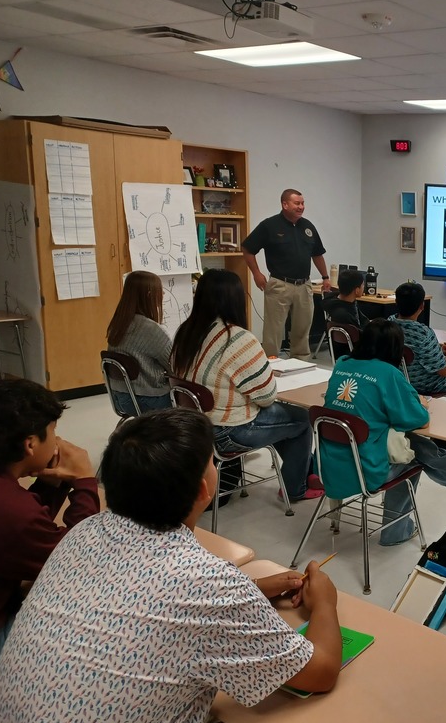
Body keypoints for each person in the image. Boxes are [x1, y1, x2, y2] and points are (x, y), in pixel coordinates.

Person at [0, 409, 342, 723]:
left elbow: (136, 597)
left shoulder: (85, 530)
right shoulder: (209, 584)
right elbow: (320, 673)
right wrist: (325, 603)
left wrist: (250, 590)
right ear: (204, 490)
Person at [0, 378, 99, 699]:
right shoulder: (8, 509)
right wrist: (84, 481)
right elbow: (80, 560)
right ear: (30, 444)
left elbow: (23, 535)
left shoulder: (3, 495)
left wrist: (53, 485)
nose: (58, 442)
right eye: (52, 433)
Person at [170, 269, 319, 502]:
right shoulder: (237, 338)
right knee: (300, 419)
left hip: (193, 426)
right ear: (236, 300)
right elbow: (267, 397)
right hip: (227, 431)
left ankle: (305, 471)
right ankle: (295, 488)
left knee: (283, 420)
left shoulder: (185, 333)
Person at [321, 319, 446, 546]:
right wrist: (419, 403)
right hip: (365, 471)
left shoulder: (342, 364)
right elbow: (417, 418)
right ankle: (394, 532)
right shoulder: (388, 373)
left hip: (329, 466)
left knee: (408, 442)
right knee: (412, 454)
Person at [243, 189, 332, 358]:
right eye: (297, 203)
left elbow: (317, 254)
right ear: (285, 204)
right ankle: (270, 365)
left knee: (303, 328)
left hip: (304, 286)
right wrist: (256, 273)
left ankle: (301, 363)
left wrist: (325, 277)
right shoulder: (269, 225)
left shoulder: (308, 226)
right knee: (273, 330)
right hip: (279, 284)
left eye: (302, 203)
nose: (301, 207)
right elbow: (247, 249)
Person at [105, 270, 174, 414]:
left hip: (120, 397)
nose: (163, 295)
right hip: (148, 401)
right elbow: (175, 365)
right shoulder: (151, 329)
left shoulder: (119, 323)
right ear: (149, 295)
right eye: (160, 291)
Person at [322, 269, 368, 359]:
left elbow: (362, 320)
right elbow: (361, 335)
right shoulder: (343, 314)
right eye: (362, 285)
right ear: (357, 290)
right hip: (353, 355)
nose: (364, 287)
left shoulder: (340, 304)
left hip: (341, 356)